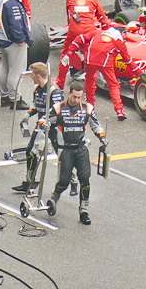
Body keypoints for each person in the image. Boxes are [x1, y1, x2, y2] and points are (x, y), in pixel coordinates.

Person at [45, 81, 106, 225]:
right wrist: (44, 125)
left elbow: (96, 125)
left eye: (79, 97)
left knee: (85, 179)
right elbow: (44, 120)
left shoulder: (87, 108)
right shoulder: (58, 108)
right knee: (64, 181)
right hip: (65, 149)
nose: (77, 100)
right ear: (69, 93)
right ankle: (54, 198)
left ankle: (84, 210)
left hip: (81, 148)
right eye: (74, 97)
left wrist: (102, 137)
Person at [13, 63, 66, 194]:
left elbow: (59, 111)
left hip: (54, 128)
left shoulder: (54, 91)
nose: (31, 77)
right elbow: (35, 104)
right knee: (31, 152)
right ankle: (29, 182)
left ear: (38, 75)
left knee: (64, 155)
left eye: (32, 75)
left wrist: (47, 122)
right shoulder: (37, 89)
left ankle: (72, 180)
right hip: (41, 127)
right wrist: (28, 114)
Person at [60, 24, 130, 119]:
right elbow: (128, 60)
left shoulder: (98, 32)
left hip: (90, 59)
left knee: (90, 81)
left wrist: (69, 53)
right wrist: (139, 74)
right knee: (113, 84)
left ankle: (90, 106)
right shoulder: (118, 41)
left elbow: (80, 38)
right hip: (105, 63)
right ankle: (119, 110)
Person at [53, 0, 109, 89]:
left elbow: (69, 18)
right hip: (89, 32)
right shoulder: (93, 0)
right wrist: (105, 34)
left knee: (66, 55)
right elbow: (103, 19)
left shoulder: (70, 0)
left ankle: (60, 82)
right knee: (91, 58)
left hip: (74, 31)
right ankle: (91, 86)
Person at [0, 0, 33, 108]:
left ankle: (4, 96)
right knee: (16, 71)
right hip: (14, 42)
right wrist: (21, 40)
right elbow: (15, 23)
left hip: (2, 39)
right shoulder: (12, 2)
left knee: (5, 68)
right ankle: (15, 99)